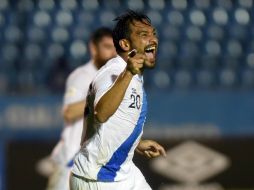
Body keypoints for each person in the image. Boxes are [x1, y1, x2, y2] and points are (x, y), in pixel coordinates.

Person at [69, 10, 166, 190]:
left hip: (124, 171)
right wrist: (127, 73)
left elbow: (116, 120)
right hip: (99, 179)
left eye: (154, 34)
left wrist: (136, 143)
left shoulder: (132, 74)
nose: (153, 39)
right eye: (144, 35)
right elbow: (101, 113)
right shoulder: (113, 72)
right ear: (125, 44)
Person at [37, 27, 116, 190]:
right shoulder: (82, 76)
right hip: (71, 162)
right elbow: (69, 113)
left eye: (115, 47)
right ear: (93, 48)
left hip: (98, 164)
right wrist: (98, 98)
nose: (112, 52)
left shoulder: (115, 78)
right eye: (107, 47)